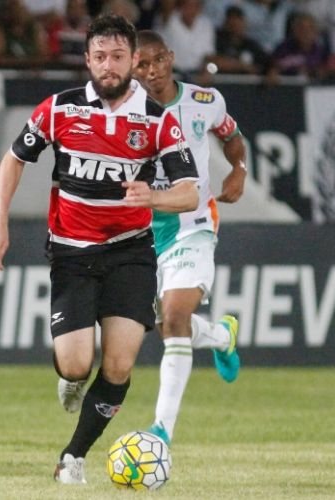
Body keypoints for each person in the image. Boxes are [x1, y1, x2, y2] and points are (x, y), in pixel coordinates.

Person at [0, 14, 198, 484]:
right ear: (87, 60)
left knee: (118, 364)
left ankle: (72, 458)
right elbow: (13, 159)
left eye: (118, 56)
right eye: (99, 57)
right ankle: (72, 377)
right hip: (73, 253)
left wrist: (152, 196)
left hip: (130, 251)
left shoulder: (158, 122)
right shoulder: (60, 109)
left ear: (134, 60)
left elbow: (190, 193)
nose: (108, 66)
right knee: (77, 362)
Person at [125, 29, 246, 446]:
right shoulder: (124, 109)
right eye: (142, 64)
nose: (153, 70)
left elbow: (232, 137)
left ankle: (161, 432)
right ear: (131, 68)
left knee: (174, 319)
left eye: (158, 60)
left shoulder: (204, 101)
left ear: (171, 57)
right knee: (164, 324)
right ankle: (220, 336)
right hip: (140, 233)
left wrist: (240, 169)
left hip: (193, 225)